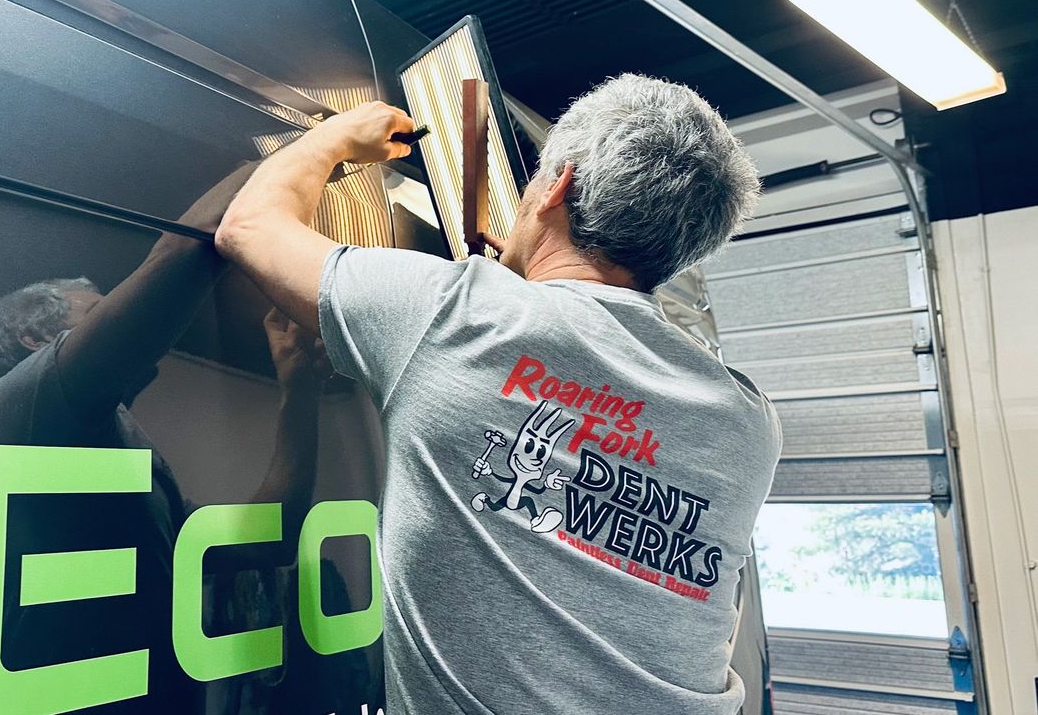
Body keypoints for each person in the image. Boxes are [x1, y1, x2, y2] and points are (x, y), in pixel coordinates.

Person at [215, 74, 782, 714]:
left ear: (558, 186)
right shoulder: (749, 422)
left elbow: (249, 225)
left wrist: (339, 135)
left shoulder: (456, 315)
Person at [0, 168, 329, 711]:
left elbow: (267, 539)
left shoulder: (119, 461)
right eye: (98, 314)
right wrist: (312, 150)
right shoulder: (16, 411)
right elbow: (176, 263)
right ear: (35, 338)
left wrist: (298, 386)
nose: (119, 318)